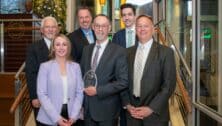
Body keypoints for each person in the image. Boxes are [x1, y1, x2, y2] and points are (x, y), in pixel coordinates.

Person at [122, 15, 176, 126]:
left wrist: (151, 108)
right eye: (139, 26)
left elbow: (168, 85)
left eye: (146, 26)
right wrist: (127, 104)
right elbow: (122, 81)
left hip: (155, 116)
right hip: (132, 113)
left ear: (153, 29)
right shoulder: (127, 53)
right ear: (135, 29)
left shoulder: (166, 52)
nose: (142, 29)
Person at [80, 14, 128, 126]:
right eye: (97, 26)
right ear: (93, 27)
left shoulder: (119, 51)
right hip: (88, 110)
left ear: (109, 28)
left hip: (107, 111)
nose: (100, 29)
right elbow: (82, 76)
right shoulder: (86, 50)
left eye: (104, 26)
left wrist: (98, 91)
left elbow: (123, 81)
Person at [36, 34, 84, 126]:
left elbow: (79, 92)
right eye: (57, 44)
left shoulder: (76, 67)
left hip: (72, 116)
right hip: (49, 117)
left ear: (68, 47)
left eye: (64, 44)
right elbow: (42, 94)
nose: (61, 47)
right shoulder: (45, 67)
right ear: (53, 48)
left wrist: (73, 116)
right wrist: (57, 118)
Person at [25, 16, 59, 125]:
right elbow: (31, 74)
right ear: (42, 30)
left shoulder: (63, 46)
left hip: (61, 99)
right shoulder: (33, 48)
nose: (50, 29)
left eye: (53, 27)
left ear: (57, 29)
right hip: (42, 98)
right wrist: (34, 97)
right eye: (47, 27)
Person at [112, 3, 137, 126]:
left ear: (134, 16)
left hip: (140, 85)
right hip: (122, 86)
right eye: (124, 15)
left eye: (129, 14)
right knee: (124, 120)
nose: (126, 18)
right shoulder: (117, 36)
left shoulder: (142, 32)